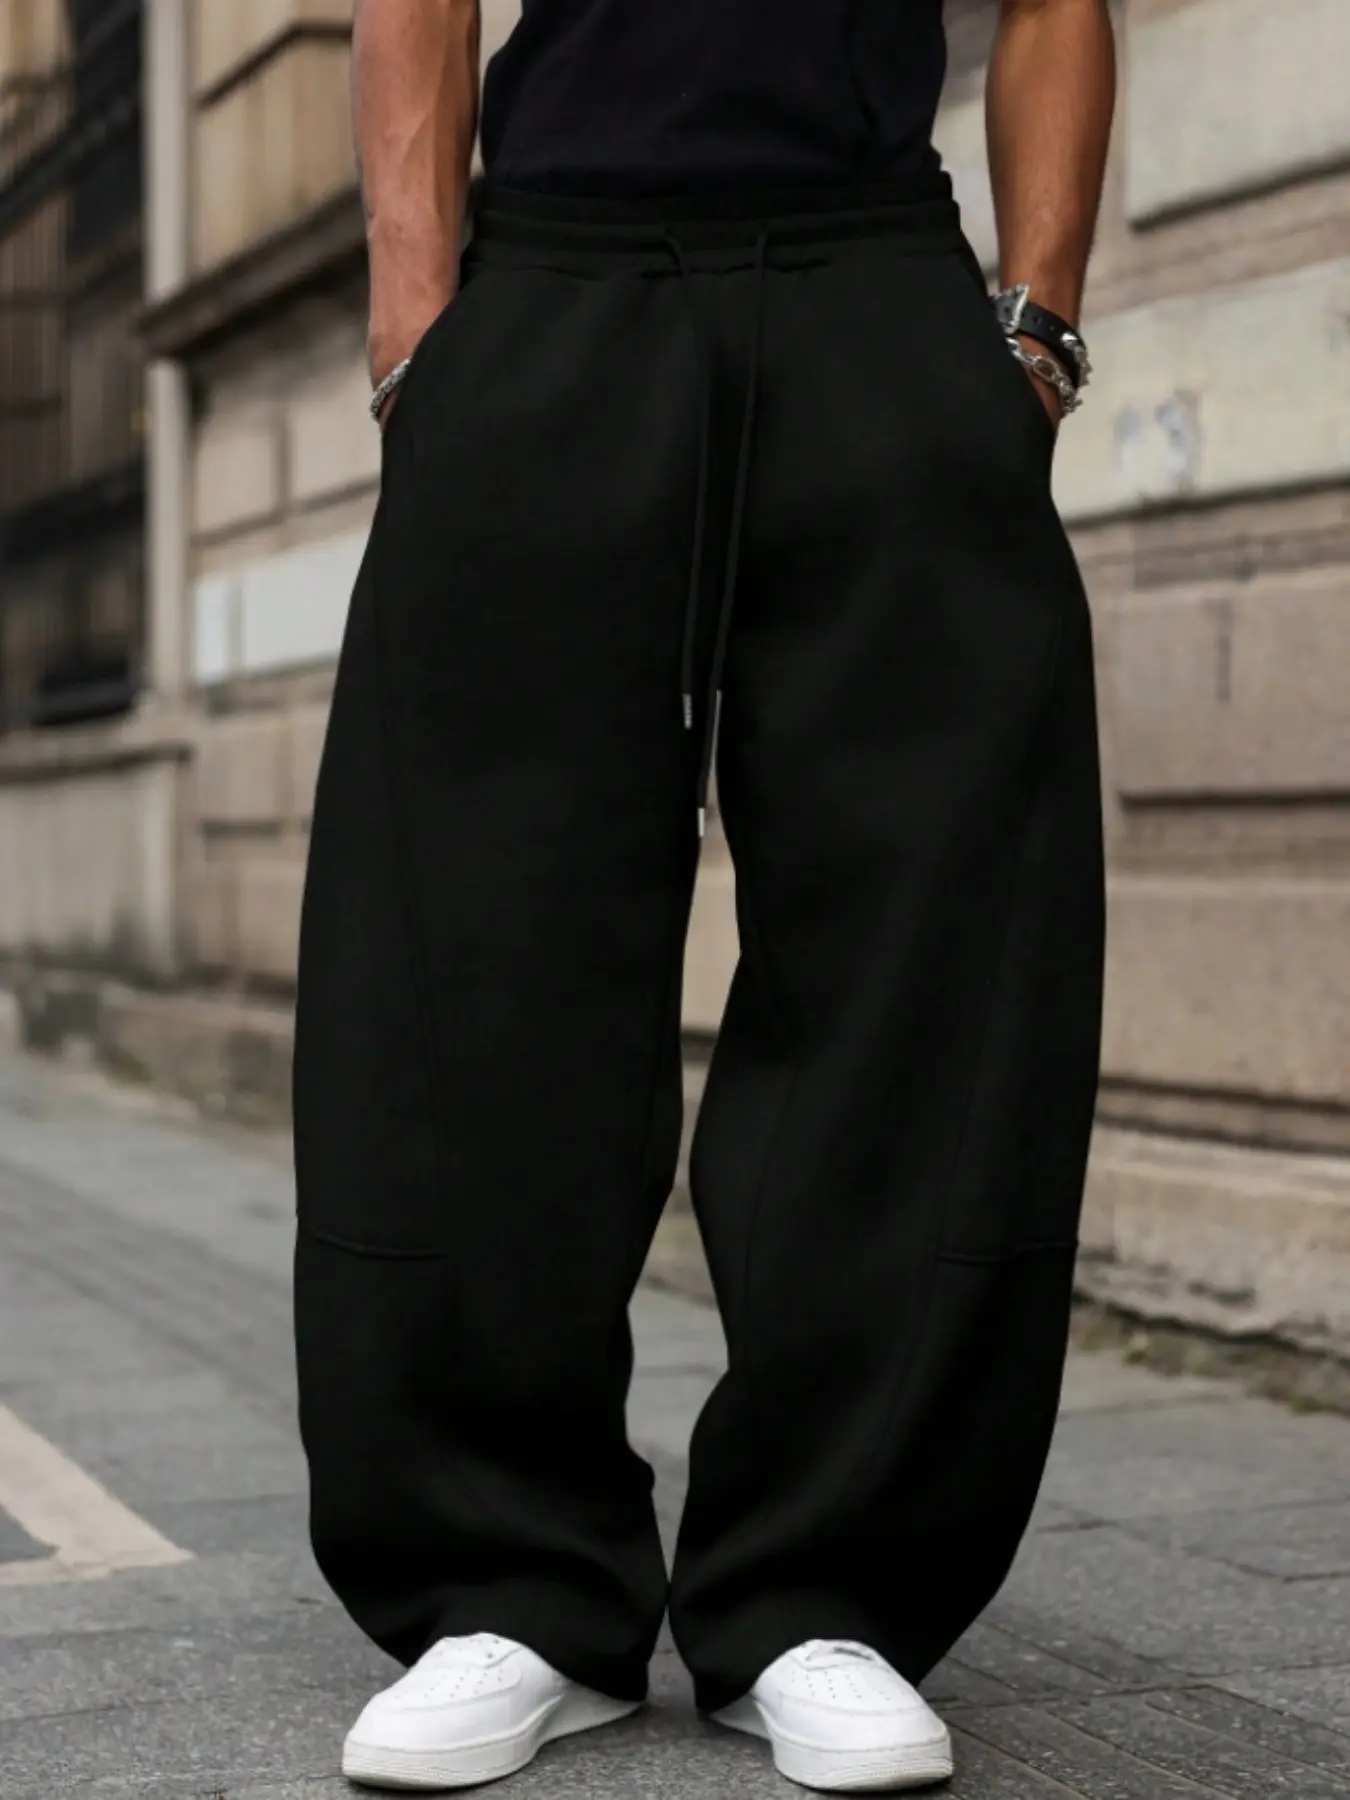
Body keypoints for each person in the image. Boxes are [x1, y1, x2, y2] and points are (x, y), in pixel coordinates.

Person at [292, 0, 1114, 1788]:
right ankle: (508, 1585)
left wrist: (1033, 334)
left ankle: (825, 1593)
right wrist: (416, 332)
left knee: (917, 953)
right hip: (550, 288)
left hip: (877, 282)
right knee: (477, 950)